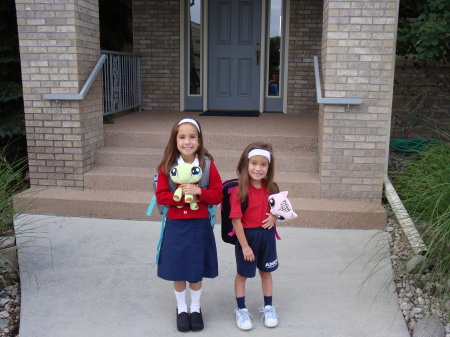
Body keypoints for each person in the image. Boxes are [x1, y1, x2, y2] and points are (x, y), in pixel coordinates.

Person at [155, 118, 223, 332]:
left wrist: (199, 192)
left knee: (195, 268)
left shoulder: (208, 165)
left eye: (192, 136)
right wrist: (182, 198)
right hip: (175, 225)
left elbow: (218, 195)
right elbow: (161, 195)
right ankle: (181, 308)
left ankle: (195, 307)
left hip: (199, 225)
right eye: (182, 137)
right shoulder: (166, 166)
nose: (187, 141)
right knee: (178, 269)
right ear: (175, 140)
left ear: (199, 140)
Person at [229, 142, 280, 330]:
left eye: (263, 164)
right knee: (243, 274)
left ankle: (268, 307)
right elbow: (236, 221)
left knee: (266, 272)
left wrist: (275, 216)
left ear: (269, 167)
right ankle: (241, 310)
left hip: (267, 237)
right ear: (245, 164)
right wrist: (244, 246)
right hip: (247, 238)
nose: (258, 168)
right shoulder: (239, 190)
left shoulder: (272, 188)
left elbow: (281, 209)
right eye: (254, 163)